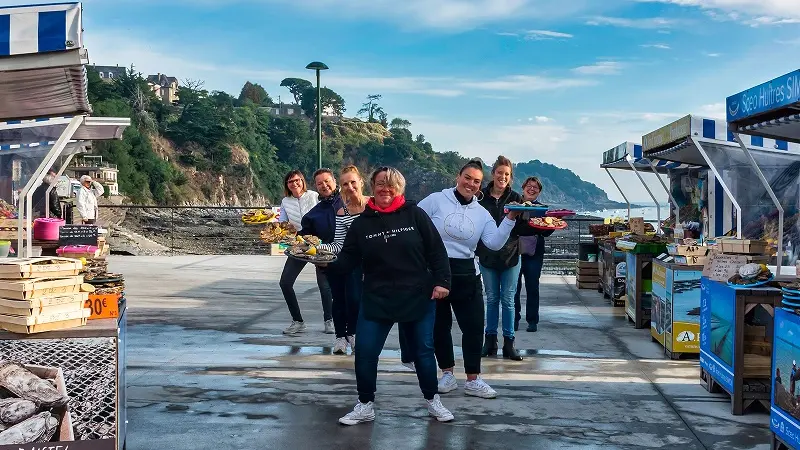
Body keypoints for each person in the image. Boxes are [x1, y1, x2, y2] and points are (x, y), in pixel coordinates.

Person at [331, 167, 454, 425]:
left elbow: (437, 251)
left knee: (422, 351)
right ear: (372, 187)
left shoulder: (415, 215)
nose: (385, 189)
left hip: (417, 295)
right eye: (380, 184)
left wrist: (443, 282)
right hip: (377, 297)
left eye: (391, 184)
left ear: (399, 188)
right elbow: (348, 259)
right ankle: (365, 404)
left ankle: (433, 401)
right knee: (365, 351)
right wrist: (319, 260)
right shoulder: (362, 223)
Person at [417, 158, 521, 399]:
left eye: (476, 181)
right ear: (458, 177)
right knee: (439, 327)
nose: (471, 184)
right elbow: (415, 223)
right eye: (467, 178)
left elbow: (494, 243)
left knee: (474, 328)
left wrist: (510, 218)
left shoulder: (482, 214)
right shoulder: (435, 200)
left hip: (467, 274)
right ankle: (447, 374)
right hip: (436, 272)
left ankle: (473, 378)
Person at [476, 156, 548, 361]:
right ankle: (489, 340)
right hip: (487, 256)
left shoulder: (517, 198)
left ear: (511, 177)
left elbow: (524, 227)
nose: (503, 177)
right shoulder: (481, 198)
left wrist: (544, 227)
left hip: (511, 256)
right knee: (491, 299)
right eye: (500, 173)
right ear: (493, 173)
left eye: (507, 174)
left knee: (508, 300)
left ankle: (509, 342)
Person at [317, 166, 366, 354]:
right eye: (345, 183)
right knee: (338, 296)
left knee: (354, 299)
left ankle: (352, 334)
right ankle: (340, 338)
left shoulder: (372, 206)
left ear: (361, 182)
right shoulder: (341, 212)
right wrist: (314, 249)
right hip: (347, 259)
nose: (350, 186)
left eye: (353, 182)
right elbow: (337, 244)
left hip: (369, 262)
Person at [277, 170, 329, 336]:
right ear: (287, 185)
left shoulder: (314, 196)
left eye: (298, 180)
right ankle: (297, 321)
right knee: (285, 282)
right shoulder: (285, 201)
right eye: (291, 181)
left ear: (303, 181)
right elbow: (282, 224)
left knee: (324, 285)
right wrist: (277, 232)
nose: (295, 183)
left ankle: (330, 320)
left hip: (317, 242)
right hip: (299, 244)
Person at [513, 176, 554, 332]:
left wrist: (552, 223)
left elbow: (546, 233)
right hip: (515, 251)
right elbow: (511, 227)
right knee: (513, 288)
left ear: (539, 191)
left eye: (535, 187)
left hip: (535, 253)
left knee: (532, 287)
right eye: (529, 186)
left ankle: (532, 320)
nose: (531, 189)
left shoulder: (542, 209)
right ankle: (514, 319)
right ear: (523, 188)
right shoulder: (515, 205)